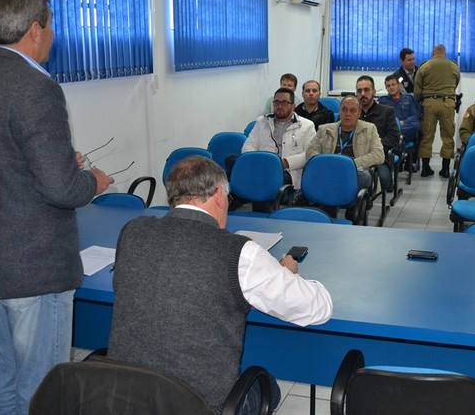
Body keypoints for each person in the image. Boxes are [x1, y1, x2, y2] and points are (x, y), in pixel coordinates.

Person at [0, 0, 113, 415]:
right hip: (34, 270)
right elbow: (62, 190)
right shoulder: (38, 89)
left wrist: (55, 159)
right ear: (36, 29)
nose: (53, 34)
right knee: (43, 391)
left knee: (1, 383)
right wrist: (94, 180)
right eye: (51, 24)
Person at [108, 155, 333, 412]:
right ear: (218, 195)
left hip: (123, 399)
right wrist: (287, 274)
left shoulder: (132, 232)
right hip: (198, 406)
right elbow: (318, 308)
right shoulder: (238, 253)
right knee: (268, 387)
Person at [306, 96, 384, 193]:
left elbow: (379, 155)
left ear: (359, 113)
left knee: (364, 176)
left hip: (353, 171)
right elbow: (310, 152)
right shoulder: (324, 129)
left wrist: (349, 164)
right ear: (339, 111)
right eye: (344, 109)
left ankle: (332, 198)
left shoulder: (370, 129)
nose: (347, 114)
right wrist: (326, 163)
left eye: (352, 111)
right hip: (329, 170)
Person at [243, 88, 316, 189]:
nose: (280, 106)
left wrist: (284, 163)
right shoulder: (262, 121)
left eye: (285, 103)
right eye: (276, 102)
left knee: (266, 179)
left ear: (293, 106)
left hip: (287, 170)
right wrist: (257, 160)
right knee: (233, 159)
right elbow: (249, 145)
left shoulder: (307, 125)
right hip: (261, 165)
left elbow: (310, 153)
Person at [414, 43, 460, 178]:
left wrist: (421, 98)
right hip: (448, 104)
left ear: (433, 53)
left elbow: (417, 89)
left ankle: (425, 168)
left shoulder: (425, 66)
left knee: (427, 136)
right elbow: (455, 83)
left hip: (429, 103)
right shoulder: (453, 66)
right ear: (445, 53)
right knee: (447, 136)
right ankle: (445, 169)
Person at [356, 75, 400, 191]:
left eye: (367, 90)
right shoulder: (351, 112)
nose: (363, 94)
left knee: (383, 180)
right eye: (359, 91)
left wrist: (370, 147)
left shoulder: (386, 112)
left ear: (374, 91)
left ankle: (363, 202)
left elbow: (394, 138)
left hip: (377, 158)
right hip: (353, 156)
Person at [379, 74, 421, 144]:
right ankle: (397, 139)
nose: (391, 87)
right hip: (390, 127)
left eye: (393, 84)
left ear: (399, 85)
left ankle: (394, 138)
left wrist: (403, 122)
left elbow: (415, 115)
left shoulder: (409, 99)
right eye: (388, 86)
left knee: (416, 125)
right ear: (386, 88)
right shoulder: (383, 101)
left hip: (404, 127)